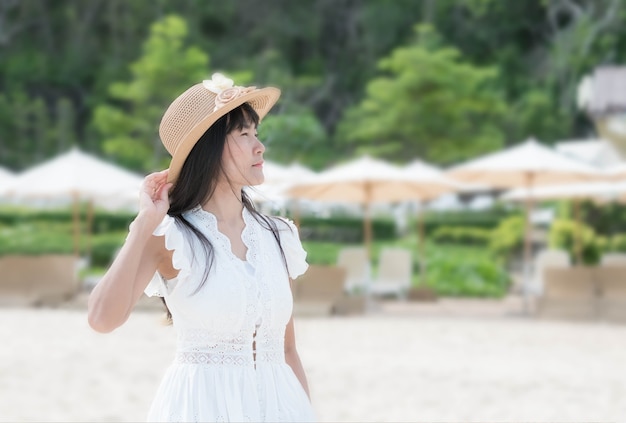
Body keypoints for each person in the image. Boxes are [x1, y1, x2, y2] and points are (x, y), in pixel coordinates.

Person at [87, 73, 316, 422]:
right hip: (201, 408)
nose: (259, 146)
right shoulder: (172, 236)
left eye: (256, 133)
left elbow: (286, 349)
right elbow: (102, 319)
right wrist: (143, 224)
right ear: (207, 150)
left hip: (280, 407)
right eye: (243, 134)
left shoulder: (278, 235)